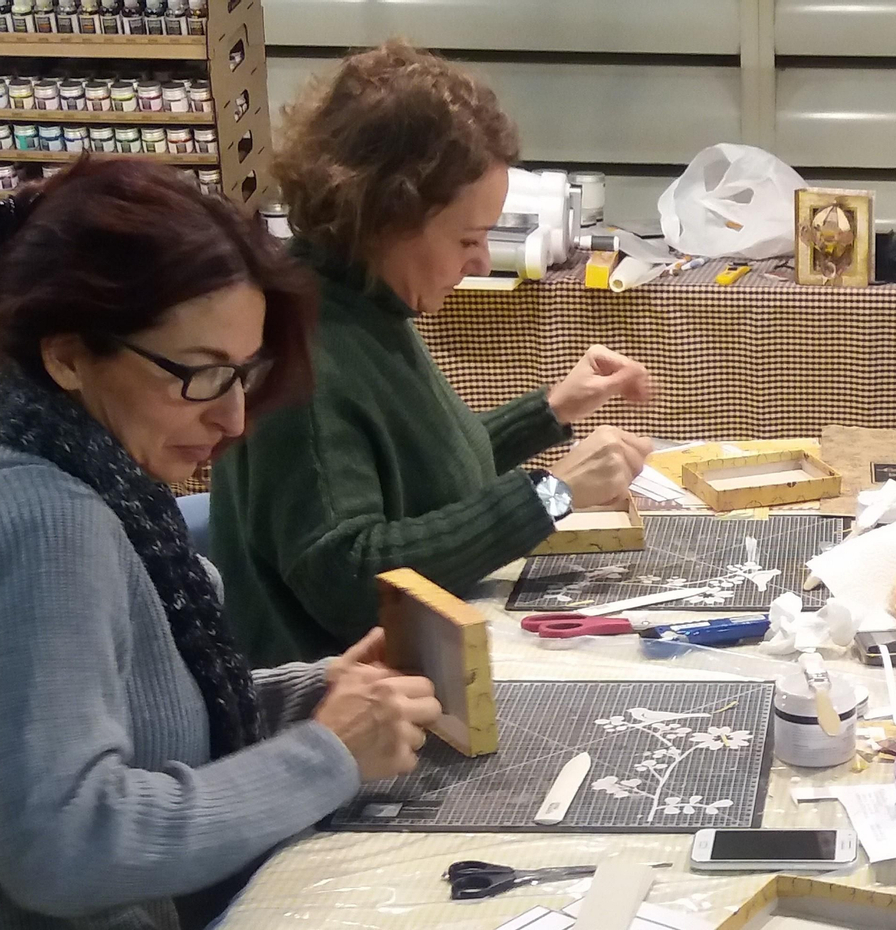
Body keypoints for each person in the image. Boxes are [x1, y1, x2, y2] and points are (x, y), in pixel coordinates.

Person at [0, 159, 443, 930]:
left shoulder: (44, 457)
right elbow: (61, 841)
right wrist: (325, 755)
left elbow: (127, 722)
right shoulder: (44, 519)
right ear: (67, 355)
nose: (232, 421)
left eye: (243, 375)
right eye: (198, 377)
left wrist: (309, 696)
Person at [209, 40, 655, 667]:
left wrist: (553, 410)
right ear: (386, 216)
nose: (478, 263)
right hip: (338, 709)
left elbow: (425, 473)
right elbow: (350, 581)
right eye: (468, 238)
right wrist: (551, 495)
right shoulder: (308, 347)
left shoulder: (366, 302)